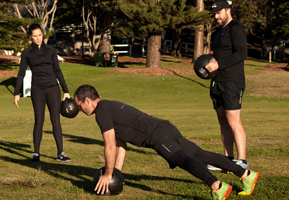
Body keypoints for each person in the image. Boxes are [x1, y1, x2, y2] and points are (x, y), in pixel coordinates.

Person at [74, 84, 259, 200]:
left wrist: (107, 174)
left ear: (87, 100)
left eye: (80, 105)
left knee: (184, 160)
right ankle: (246, 174)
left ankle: (217, 186)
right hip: (164, 127)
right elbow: (121, 145)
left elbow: (110, 146)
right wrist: (117, 174)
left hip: (157, 136)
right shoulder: (109, 105)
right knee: (201, 155)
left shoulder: (102, 113)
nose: (79, 109)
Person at [14, 23, 71, 163]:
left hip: (53, 89)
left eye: (40, 35)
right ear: (30, 37)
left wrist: (66, 90)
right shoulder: (27, 53)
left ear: (42, 35)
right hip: (37, 89)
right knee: (39, 121)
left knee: (55, 121)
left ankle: (61, 153)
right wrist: (16, 93)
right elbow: (21, 73)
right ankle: (36, 154)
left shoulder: (50, 50)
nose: (38, 38)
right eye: (35, 36)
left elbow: (58, 70)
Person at [205, 0, 249, 170]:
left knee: (234, 121)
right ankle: (227, 160)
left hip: (232, 81)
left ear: (228, 10)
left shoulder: (236, 29)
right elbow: (218, 56)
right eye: (214, 14)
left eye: (218, 13)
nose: (216, 16)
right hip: (218, 82)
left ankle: (242, 162)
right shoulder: (218, 32)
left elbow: (242, 53)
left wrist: (219, 64)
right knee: (223, 120)